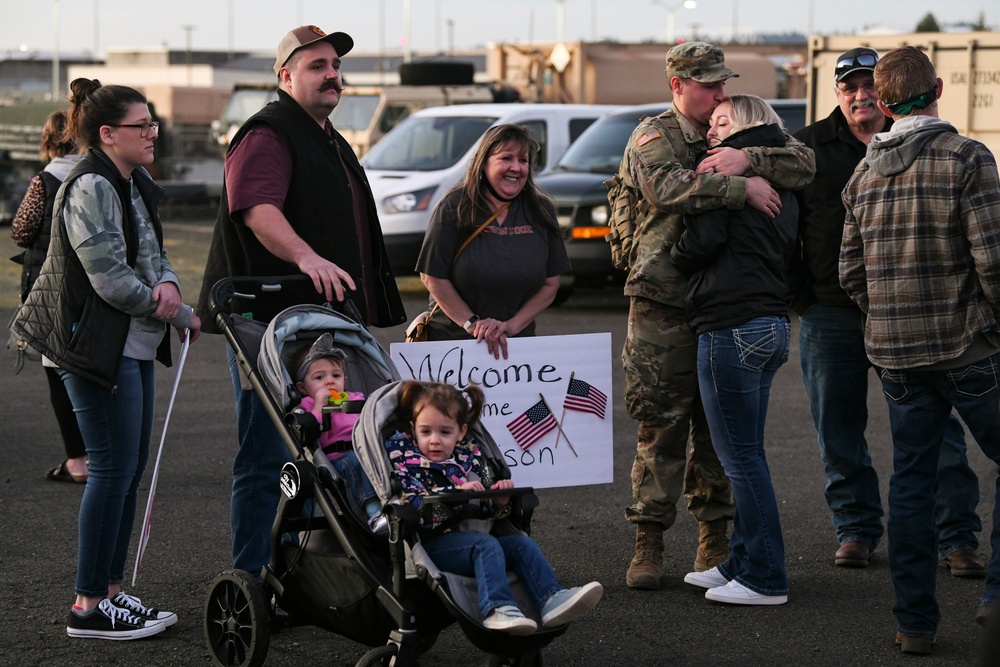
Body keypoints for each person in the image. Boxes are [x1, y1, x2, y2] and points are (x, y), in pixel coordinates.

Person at [195, 25, 406, 576]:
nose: (332, 74)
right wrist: (306, 257)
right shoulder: (269, 133)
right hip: (272, 327)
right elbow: (257, 209)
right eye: (316, 65)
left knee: (326, 446)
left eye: (335, 64)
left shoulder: (325, 135)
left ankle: (307, 576)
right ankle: (254, 577)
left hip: (322, 325)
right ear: (285, 75)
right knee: (268, 457)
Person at [619, 41, 815, 589]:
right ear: (678, 85)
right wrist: (741, 187)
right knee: (660, 423)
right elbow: (664, 187)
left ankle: (715, 539)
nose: (719, 93)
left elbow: (802, 162)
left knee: (716, 430)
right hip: (663, 302)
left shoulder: (739, 132)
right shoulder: (654, 135)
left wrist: (748, 158)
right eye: (708, 84)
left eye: (723, 83)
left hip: (722, 304)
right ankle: (649, 540)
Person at [12, 77, 201, 640]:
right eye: (142, 125)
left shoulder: (132, 180)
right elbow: (109, 279)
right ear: (107, 133)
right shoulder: (90, 184)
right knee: (111, 468)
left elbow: (155, 253)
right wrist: (171, 307)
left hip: (129, 343)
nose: (153, 133)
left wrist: (168, 284)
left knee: (127, 468)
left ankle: (113, 593)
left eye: (153, 122)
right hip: (95, 347)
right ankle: (89, 604)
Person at [790, 47, 985, 574]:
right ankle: (855, 529)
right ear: (837, 93)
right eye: (849, 86)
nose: (860, 95)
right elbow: (786, 231)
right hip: (831, 315)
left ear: (888, 91)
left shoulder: (934, 148)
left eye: (868, 85)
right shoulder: (807, 149)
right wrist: (802, 299)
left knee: (937, 432)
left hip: (917, 315)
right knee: (838, 427)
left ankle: (957, 538)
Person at [839, 45, 1000, 654]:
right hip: (968, 351)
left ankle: (915, 624)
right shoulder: (967, 157)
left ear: (882, 104)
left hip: (897, 357)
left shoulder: (862, 174)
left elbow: (850, 273)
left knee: (910, 483)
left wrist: (888, 317)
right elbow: (994, 260)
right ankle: (996, 600)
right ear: (938, 87)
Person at [671, 95, 797, 605]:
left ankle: (765, 577)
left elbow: (699, 241)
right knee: (748, 453)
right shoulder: (784, 175)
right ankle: (742, 560)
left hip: (731, 323)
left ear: (747, 127)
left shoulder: (720, 173)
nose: (711, 132)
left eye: (723, 122)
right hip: (770, 321)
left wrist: (675, 252)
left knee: (741, 459)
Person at [384, 380, 603, 634]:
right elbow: (414, 508)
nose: (435, 441)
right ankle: (496, 608)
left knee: (520, 544)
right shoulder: (407, 461)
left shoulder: (469, 459)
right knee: (485, 545)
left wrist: (497, 501)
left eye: (445, 432)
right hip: (432, 543)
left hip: (471, 539)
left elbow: (485, 512)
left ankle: (550, 598)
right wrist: (453, 494)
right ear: (413, 430)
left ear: (461, 431)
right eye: (426, 432)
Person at [415, 123, 570, 360]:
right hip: (451, 348)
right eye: (506, 158)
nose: (516, 168)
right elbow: (431, 276)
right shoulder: (454, 207)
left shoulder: (541, 210)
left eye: (523, 160)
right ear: (484, 162)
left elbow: (551, 284)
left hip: (517, 351)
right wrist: (473, 324)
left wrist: (512, 326)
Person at [9, 110, 88, 484]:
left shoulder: (46, 179)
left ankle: (77, 459)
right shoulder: (94, 173)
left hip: (48, 287)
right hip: (88, 290)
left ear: (49, 140)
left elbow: (22, 230)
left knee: (56, 371)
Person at [292, 333, 386, 534]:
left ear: (345, 379)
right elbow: (310, 430)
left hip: (367, 448)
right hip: (340, 455)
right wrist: (319, 406)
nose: (329, 382)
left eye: (335, 376)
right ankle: (375, 512)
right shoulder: (308, 404)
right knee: (354, 464)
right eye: (319, 377)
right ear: (302, 387)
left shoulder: (355, 397)